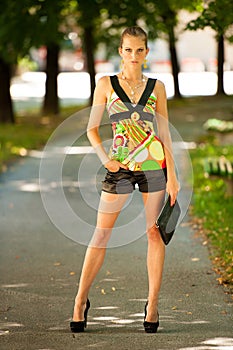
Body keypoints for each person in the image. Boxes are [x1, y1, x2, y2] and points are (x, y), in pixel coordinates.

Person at [70, 26, 179, 334]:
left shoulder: (157, 88)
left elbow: (165, 134)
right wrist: (107, 160)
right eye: (128, 50)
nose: (134, 55)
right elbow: (92, 129)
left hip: (153, 167)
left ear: (146, 52)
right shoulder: (105, 84)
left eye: (139, 50)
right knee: (101, 235)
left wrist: (173, 175)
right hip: (119, 168)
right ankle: (80, 301)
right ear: (120, 51)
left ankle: (153, 304)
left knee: (154, 234)